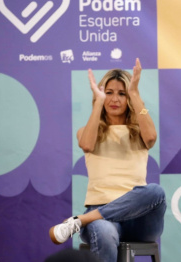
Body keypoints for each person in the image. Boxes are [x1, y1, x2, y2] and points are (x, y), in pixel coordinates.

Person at [49, 58, 166, 262]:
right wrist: (98, 102)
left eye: (122, 93)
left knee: (156, 191)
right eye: (109, 92)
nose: (115, 99)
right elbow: (86, 145)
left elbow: (151, 138)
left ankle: (82, 220)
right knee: (103, 232)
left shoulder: (139, 132)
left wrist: (135, 93)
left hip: (139, 220)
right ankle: (92, 218)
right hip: (103, 217)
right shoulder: (86, 132)